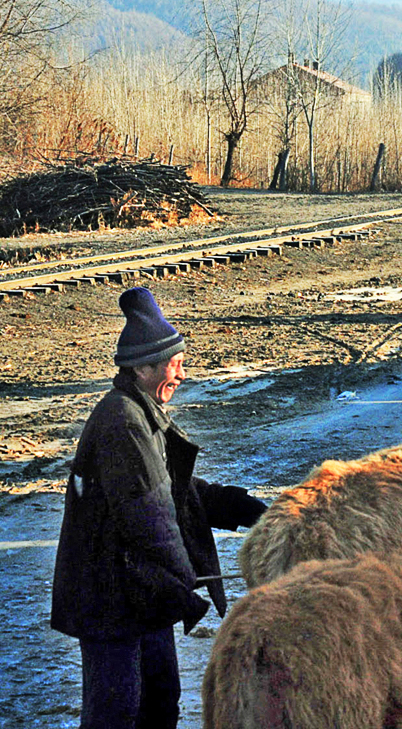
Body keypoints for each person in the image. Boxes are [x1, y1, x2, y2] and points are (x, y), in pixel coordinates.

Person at [51, 287, 267, 729]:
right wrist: (186, 587)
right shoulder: (123, 424)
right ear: (143, 367)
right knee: (117, 713)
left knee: (160, 701)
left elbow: (177, 492)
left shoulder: (142, 411)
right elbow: (152, 519)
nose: (181, 375)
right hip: (110, 600)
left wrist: (247, 509)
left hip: (139, 592)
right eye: (174, 365)